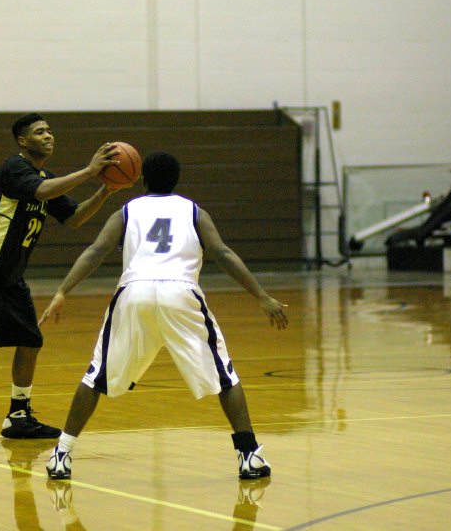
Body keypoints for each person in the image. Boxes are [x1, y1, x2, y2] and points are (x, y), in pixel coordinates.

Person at [38, 151, 289, 480]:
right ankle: (249, 455)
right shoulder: (194, 211)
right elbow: (223, 253)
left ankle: (62, 454)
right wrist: (262, 295)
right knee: (224, 377)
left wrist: (63, 291)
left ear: (141, 180)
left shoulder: (126, 211)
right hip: (181, 293)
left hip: (134, 293)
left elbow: (96, 251)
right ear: (176, 180)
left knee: (96, 376)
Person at [0, 113, 130, 452]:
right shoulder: (15, 169)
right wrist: (91, 171)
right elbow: (42, 191)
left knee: (31, 340)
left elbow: (74, 218)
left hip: (12, 274)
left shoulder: (47, 176)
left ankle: (18, 416)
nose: (48, 136)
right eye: (39, 132)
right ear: (22, 141)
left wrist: (106, 189)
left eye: (49, 130)